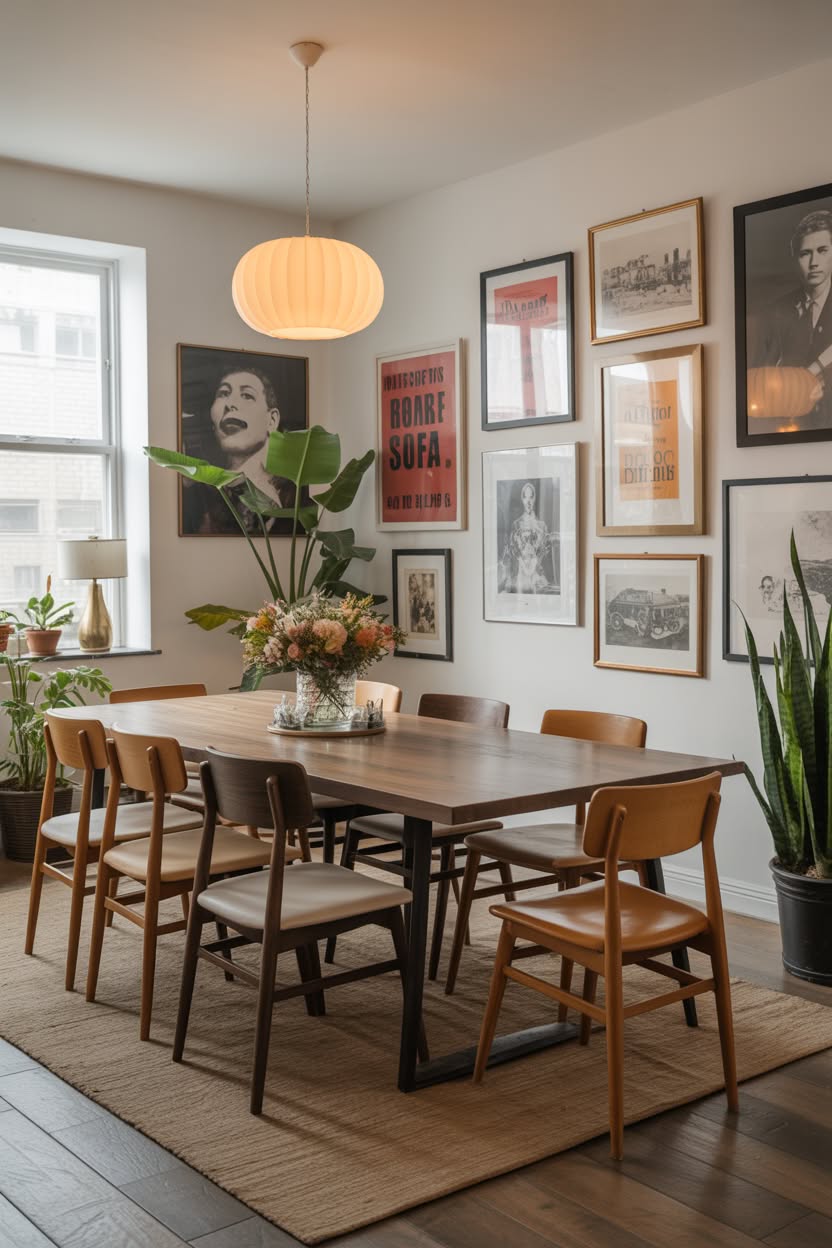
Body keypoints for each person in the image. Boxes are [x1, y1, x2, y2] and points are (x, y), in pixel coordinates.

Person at [183, 365, 296, 534]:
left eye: (247, 395)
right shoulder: (198, 497)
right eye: (223, 394)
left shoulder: (296, 494)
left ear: (272, 420)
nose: (231, 404)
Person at [749, 209, 832, 429]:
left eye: (822, 251)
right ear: (796, 258)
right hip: (788, 425)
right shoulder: (775, 311)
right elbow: (761, 372)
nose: (814, 262)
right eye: (806, 253)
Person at [499, 481, 553, 593]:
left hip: (537, 576)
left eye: (531, 497)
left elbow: (545, 552)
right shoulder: (516, 524)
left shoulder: (542, 526)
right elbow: (513, 552)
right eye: (525, 497)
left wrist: (535, 563)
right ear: (522, 499)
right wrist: (523, 565)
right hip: (521, 576)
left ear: (535, 499)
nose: (528, 501)